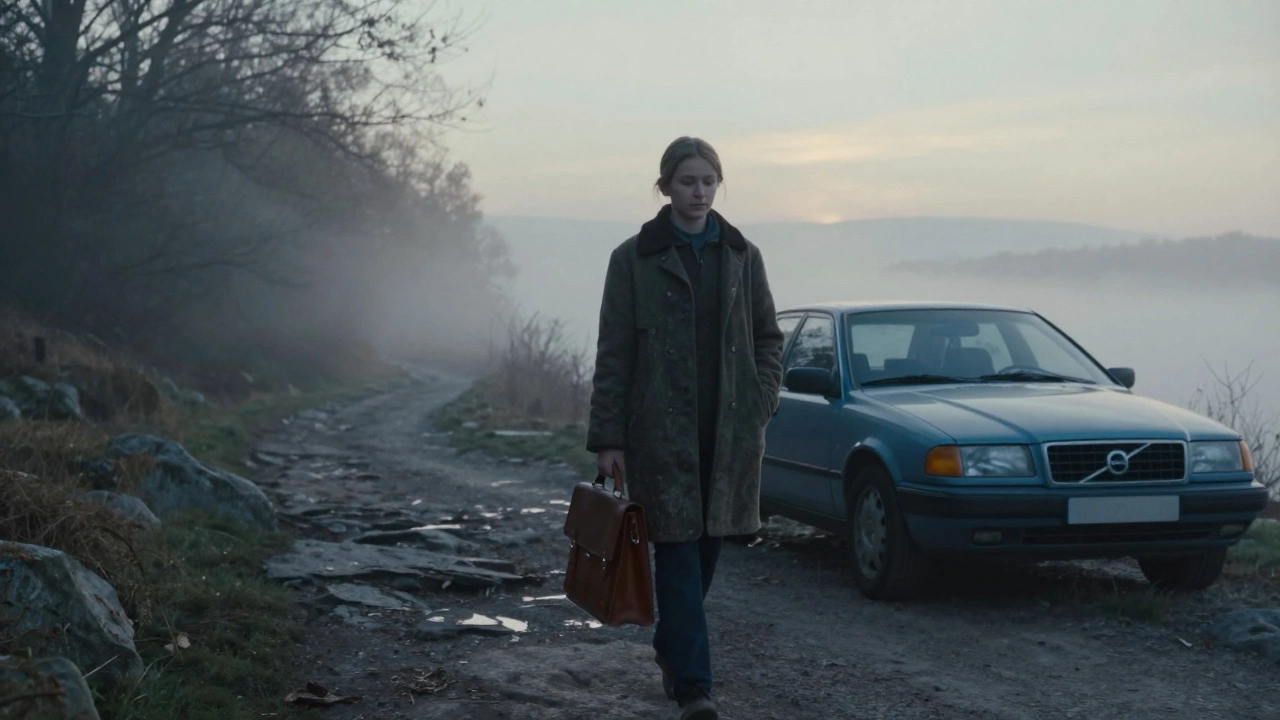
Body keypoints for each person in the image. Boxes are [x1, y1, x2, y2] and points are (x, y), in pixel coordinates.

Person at [585, 136, 785, 719]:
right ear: (665, 186)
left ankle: (671, 646)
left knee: (707, 552)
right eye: (687, 182)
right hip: (660, 432)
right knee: (675, 553)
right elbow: (614, 353)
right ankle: (695, 688)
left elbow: (768, 338)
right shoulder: (632, 259)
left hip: (727, 434)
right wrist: (609, 439)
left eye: (708, 182)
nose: (699, 193)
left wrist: (760, 397)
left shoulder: (742, 255)